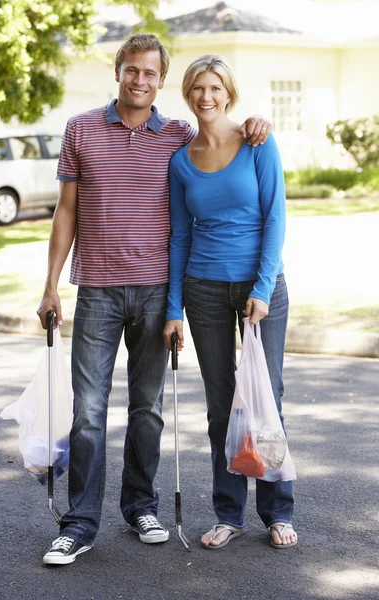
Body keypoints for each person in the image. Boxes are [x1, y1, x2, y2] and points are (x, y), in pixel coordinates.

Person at [37, 34, 271, 566]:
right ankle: (79, 523)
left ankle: (141, 505)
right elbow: (66, 211)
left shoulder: (179, 135)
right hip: (96, 288)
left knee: (148, 409)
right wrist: (50, 284)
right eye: (131, 70)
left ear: (162, 80)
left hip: (158, 291)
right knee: (88, 413)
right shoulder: (81, 129)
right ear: (117, 71)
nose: (140, 80)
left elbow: (225, 135)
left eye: (150, 73)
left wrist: (259, 123)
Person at [163, 54, 297, 550]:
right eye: (198, 88)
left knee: (268, 399)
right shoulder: (181, 159)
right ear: (189, 94)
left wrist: (261, 289)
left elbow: (275, 219)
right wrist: (173, 307)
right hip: (203, 288)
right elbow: (179, 236)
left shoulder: (258, 141)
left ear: (229, 93)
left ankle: (277, 512)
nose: (207, 97)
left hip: (261, 288)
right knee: (221, 407)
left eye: (215, 87)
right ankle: (228, 513)